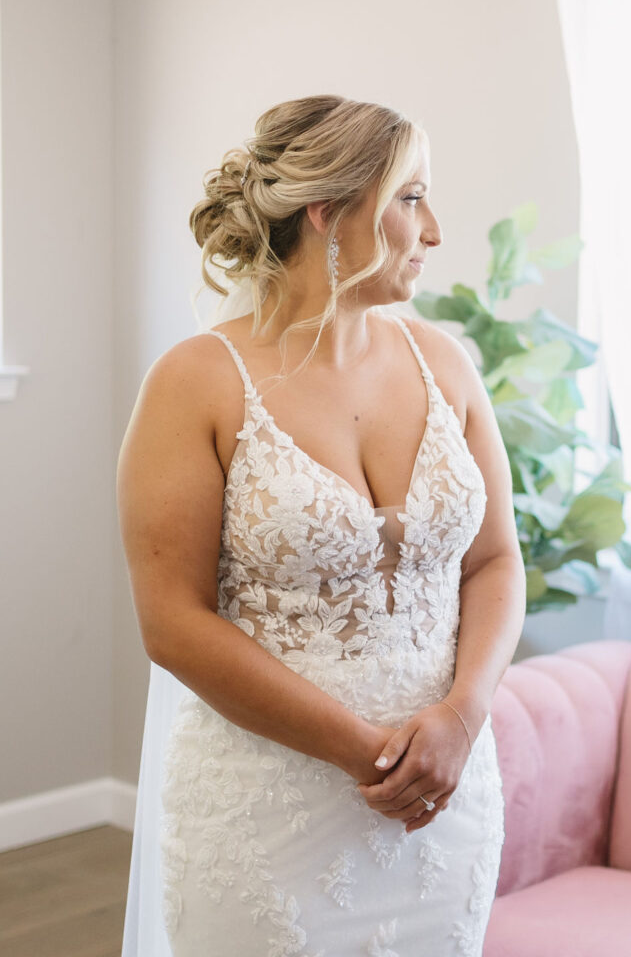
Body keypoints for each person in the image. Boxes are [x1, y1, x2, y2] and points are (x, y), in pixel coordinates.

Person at [117, 94, 526, 957]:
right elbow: (174, 622)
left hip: (443, 805)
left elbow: (493, 563)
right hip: (267, 815)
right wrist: (368, 756)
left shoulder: (445, 362)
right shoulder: (195, 381)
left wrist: (459, 719)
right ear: (329, 211)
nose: (434, 229)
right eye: (412, 198)